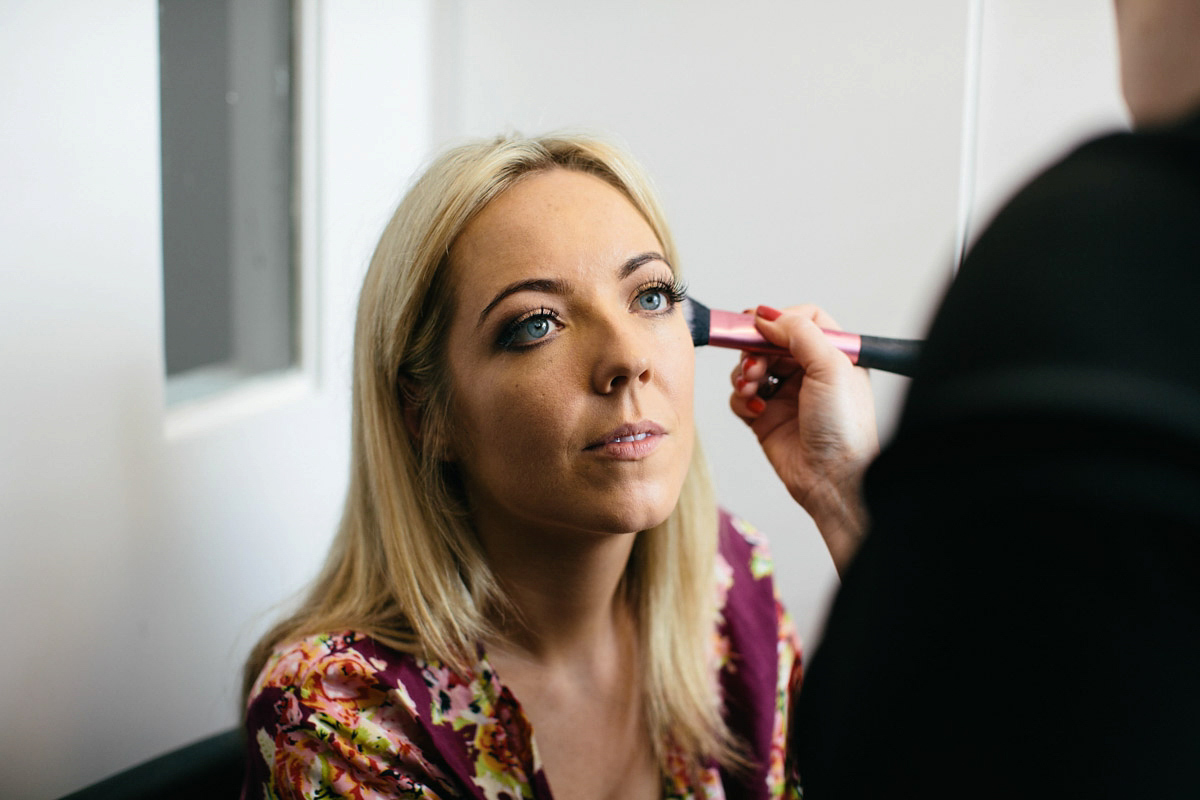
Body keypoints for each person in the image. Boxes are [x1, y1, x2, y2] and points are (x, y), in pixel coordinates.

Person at [240, 134, 835, 800]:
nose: (627, 358)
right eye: (537, 324)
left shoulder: (728, 584)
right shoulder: (340, 715)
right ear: (426, 416)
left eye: (650, 297)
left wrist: (844, 502)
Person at [730, 0, 1200, 796]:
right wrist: (845, 491)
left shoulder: (1103, 249)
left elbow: (932, 746)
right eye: (536, 323)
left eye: (650, 296)